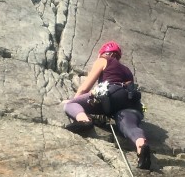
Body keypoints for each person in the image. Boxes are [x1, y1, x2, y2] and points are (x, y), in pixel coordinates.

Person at [63, 41, 152, 169]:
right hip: (131, 103)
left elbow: (85, 87)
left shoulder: (103, 60)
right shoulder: (127, 70)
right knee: (129, 127)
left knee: (71, 104)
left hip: (111, 94)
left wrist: (74, 100)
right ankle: (141, 146)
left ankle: (84, 121)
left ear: (103, 53)